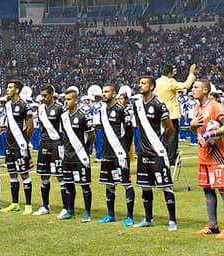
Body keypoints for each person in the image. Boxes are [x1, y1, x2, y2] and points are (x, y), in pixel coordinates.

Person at [190, 79, 224, 239]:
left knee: (223, 189)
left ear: (205, 90)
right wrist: (193, 125)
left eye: (196, 87)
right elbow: (195, 129)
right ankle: (212, 225)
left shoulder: (215, 107)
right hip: (203, 155)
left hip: (218, 156)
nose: (193, 89)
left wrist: (213, 133)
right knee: (207, 190)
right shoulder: (196, 108)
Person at [132, 75, 178, 231]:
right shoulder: (136, 105)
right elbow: (138, 125)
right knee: (145, 187)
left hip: (157, 152)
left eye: (143, 83)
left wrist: (161, 143)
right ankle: (148, 218)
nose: (140, 85)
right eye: (140, 83)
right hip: (143, 153)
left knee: (165, 186)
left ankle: (172, 220)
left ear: (151, 87)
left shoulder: (159, 105)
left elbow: (170, 128)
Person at [97, 83, 136, 225]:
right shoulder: (101, 111)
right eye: (103, 91)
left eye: (106, 91)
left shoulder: (121, 110)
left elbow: (129, 132)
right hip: (107, 152)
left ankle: (129, 216)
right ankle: (110, 214)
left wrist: (124, 149)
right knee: (109, 184)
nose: (104, 94)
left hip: (120, 152)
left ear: (113, 94)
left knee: (126, 183)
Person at [58, 85, 96, 222]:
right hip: (67, 156)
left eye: (68, 99)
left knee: (84, 184)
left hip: (80, 155)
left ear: (76, 101)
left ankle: (87, 212)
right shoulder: (63, 117)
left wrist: (85, 148)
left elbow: (92, 135)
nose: (65, 102)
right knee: (68, 184)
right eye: (64, 100)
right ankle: (70, 210)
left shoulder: (83, 116)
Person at [0, 81, 34, 214]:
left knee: (24, 173)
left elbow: (30, 126)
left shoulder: (24, 105)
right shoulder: (7, 105)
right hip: (9, 144)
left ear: (17, 90)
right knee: (12, 173)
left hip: (20, 145)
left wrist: (24, 141)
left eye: (10, 87)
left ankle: (29, 205)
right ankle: (15, 203)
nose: (7, 90)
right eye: (7, 87)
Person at [33, 85, 64, 216]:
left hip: (56, 143)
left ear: (52, 94)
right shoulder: (40, 109)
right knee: (44, 175)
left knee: (60, 175)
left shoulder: (59, 108)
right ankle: (45, 206)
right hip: (44, 143)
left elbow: (64, 127)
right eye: (42, 96)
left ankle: (66, 207)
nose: (43, 98)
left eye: (45, 95)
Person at [155, 64, 196, 163]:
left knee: (162, 136)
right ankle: (171, 158)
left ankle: (162, 155)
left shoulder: (157, 81)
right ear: (169, 73)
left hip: (160, 112)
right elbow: (185, 85)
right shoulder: (170, 82)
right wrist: (191, 74)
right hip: (171, 113)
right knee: (172, 137)